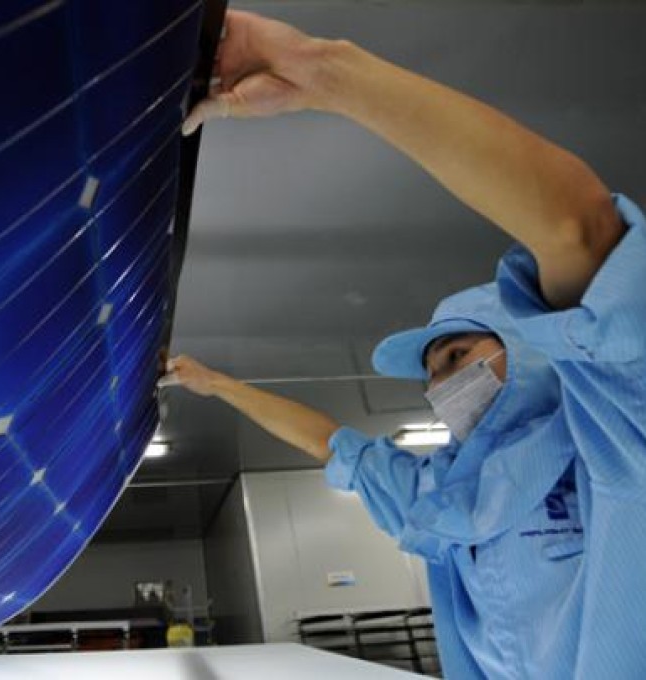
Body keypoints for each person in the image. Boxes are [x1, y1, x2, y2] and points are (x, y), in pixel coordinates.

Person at [164, 10, 646, 679]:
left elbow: (584, 232)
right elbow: (333, 444)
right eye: (433, 372)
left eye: (457, 355)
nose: (441, 384)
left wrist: (326, 72)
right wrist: (216, 385)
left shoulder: (617, 436)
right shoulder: (442, 497)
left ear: (535, 340)